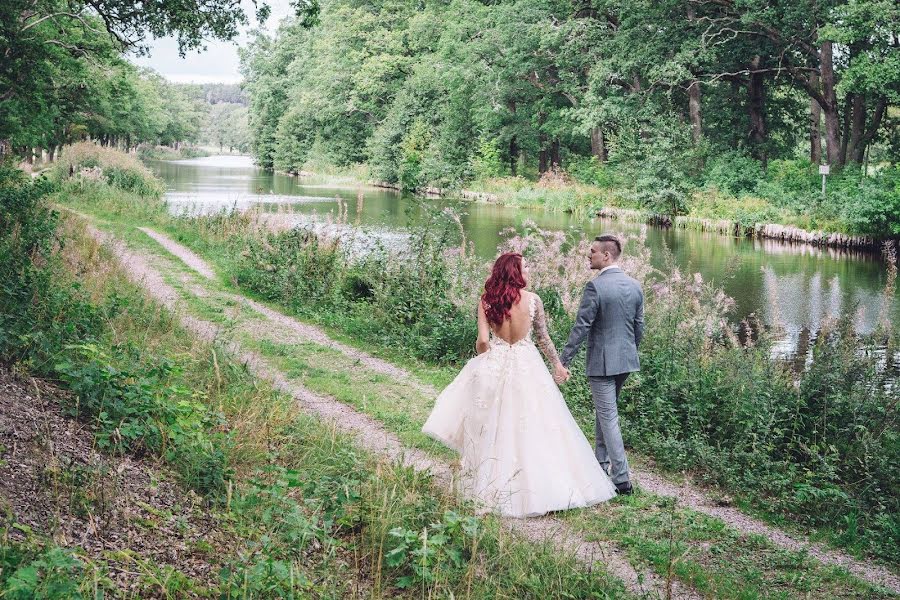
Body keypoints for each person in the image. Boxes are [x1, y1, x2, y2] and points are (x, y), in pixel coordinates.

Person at [422, 252, 617, 517]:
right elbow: (543, 338)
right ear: (515, 271)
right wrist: (558, 365)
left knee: (491, 422)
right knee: (536, 422)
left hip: (496, 360)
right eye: (525, 266)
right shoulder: (533, 300)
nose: (528, 269)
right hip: (528, 364)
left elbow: (482, 341)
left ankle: (489, 482)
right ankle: (543, 486)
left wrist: (487, 359)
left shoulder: (486, 300)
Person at [558, 234, 644, 495]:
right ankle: (600, 464)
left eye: (593, 251)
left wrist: (563, 360)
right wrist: (630, 351)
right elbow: (639, 326)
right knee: (605, 413)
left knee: (608, 418)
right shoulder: (635, 285)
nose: (589, 255)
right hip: (627, 361)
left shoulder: (595, 287)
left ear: (606, 256)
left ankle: (621, 479)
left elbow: (581, 327)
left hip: (603, 363)